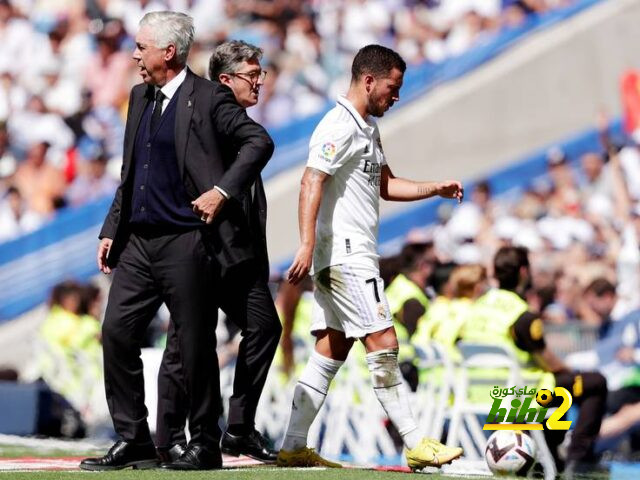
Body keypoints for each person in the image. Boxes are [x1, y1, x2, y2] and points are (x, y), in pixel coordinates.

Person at [80, 12, 274, 471]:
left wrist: (222, 191)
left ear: (169, 52)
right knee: (116, 335)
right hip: (139, 245)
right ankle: (135, 439)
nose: (134, 55)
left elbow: (258, 142)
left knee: (194, 345)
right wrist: (111, 228)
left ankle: (206, 441)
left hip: (188, 241)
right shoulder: (138, 96)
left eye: (141, 47)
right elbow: (131, 175)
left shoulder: (209, 98)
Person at [279, 44, 464, 470]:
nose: (395, 97)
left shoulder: (366, 128)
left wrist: (432, 187)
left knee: (330, 350)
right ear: (368, 81)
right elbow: (311, 181)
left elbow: (386, 184)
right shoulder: (337, 126)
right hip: (345, 255)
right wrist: (305, 243)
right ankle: (416, 442)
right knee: (384, 342)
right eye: (392, 88)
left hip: (344, 256)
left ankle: (291, 445)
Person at [155, 40, 281, 464]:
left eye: (261, 74)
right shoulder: (210, 109)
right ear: (225, 80)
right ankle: (168, 436)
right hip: (202, 246)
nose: (260, 82)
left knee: (264, 326)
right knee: (184, 343)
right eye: (253, 74)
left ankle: (239, 429)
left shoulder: (230, 117)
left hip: (236, 253)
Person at [460, 246, 608, 474]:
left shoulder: (476, 308)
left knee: (558, 390)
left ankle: (547, 455)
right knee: (593, 382)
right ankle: (578, 461)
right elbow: (549, 362)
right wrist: (568, 369)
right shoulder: (521, 315)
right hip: (518, 396)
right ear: (523, 272)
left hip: (478, 394)